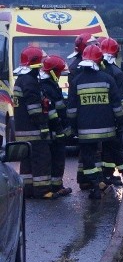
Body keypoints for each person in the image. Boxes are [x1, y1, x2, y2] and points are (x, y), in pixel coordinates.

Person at [67, 43, 123, 199]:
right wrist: (121, 122)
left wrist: (73, 127)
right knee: (109, 154)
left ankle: (95, 186)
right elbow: (117, 106)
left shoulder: (76, 81)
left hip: (85, 132)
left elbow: (72, 109)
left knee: (89, 160)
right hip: (107, 130)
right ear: (100, 61)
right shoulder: (108, 79)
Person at [13, 46, 58, 199]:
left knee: (26, 162)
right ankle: (43, 191)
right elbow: (33, 109)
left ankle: (28, 190)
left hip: (22, 130)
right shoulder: (30, 82)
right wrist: (43, 126)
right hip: (34, 130)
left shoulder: (20, 79)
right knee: (42, 159)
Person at [96, 37, 123, 188]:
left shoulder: (96, 71)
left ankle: (107, 175)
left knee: (104, 148)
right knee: (117, 149)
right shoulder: (117, 73)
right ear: (116, 54)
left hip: (100, 118)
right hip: (115, 119)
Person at [39, 55, 73, 196]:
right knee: (58, 159)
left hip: (53, 129)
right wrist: (60, 130)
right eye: (59, 71)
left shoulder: (49, 85)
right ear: (52, 71)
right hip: (54, 130)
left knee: (54, 159)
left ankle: (55, 186)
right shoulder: (49, 87)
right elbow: (54, 111)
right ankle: (57, 187)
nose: (60, 74)